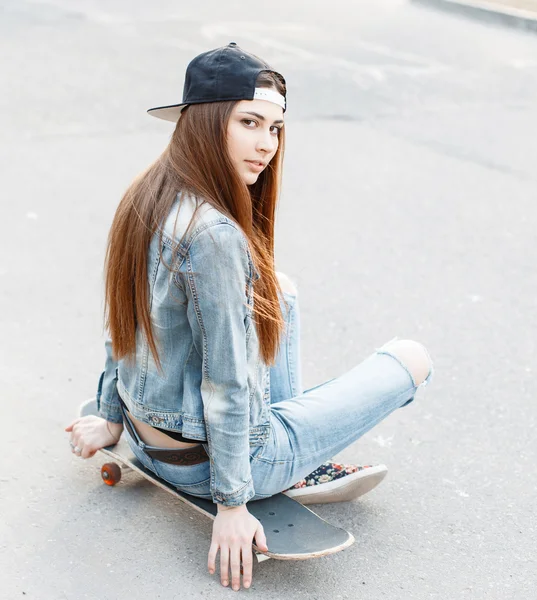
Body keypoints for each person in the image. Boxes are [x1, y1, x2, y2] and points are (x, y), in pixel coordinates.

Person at [64, 42, 434, 591]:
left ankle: (291, 445)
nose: (266, 145)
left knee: (276, 291)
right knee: (412, 358)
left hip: (149, 440)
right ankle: (290, 459)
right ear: (207, 122)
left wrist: (110, 414)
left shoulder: (149, 192)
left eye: (277, 128)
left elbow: (123, 321)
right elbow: (228, 381)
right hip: (215, 464)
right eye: (250, 122)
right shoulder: (213, 234)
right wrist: (233, 504)